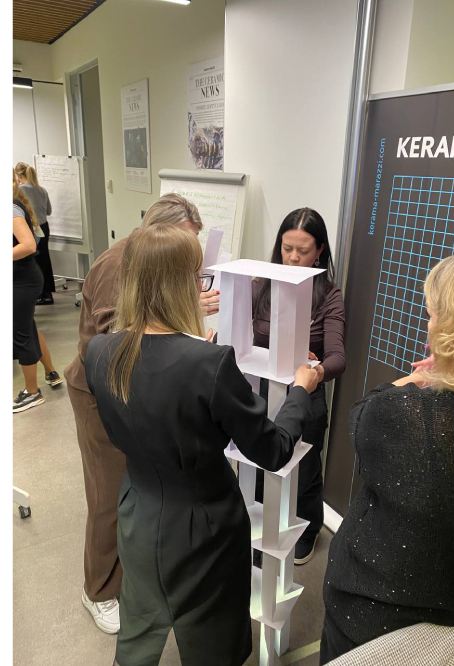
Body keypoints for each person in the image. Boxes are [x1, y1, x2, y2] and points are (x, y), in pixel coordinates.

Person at [85, 224, 322, 666]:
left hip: (136, 514)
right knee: (212, 638)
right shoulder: (209, 365)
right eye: (200, 277)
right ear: (185, 284)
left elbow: (151, 399)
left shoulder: (99, 351)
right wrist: (299, 391)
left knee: (140, 623)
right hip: (206, 530)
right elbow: (273, 450)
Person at [320, 249, 454, 666]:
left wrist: (418, 380)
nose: (429, 323)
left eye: (433, 314)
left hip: (373, 632)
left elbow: (363, 414)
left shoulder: (405, 416)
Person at [62, 193, 219, 634]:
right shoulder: (117, 265)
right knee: (107, 496)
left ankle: (127, 574)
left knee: (135, 491)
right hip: (99, 395)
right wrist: (187, 314)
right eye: (181, 241)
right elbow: (117, 338)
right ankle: (98, 592)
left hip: (131, 392)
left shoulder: (149, 260)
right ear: (158, 230)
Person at [252, 208, 345, 564]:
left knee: (303, 472)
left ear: (319, 251)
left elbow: (337, 358)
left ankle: (307, 530)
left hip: (304, 395)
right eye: (286, 248)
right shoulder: (262, 285)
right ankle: (261, 524)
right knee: (259, 465)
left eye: (302, 251)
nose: (292, 257)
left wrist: (314, 370)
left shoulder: (328, 295)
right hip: (261, 393)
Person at [13, 174, 61, 413]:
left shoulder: (9, 209)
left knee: (22, 334)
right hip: (24, 278)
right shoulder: (15, 204)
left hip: (22, 280)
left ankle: (32, 392)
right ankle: (51, 373)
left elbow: (29, 245)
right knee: (28, 328)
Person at [14, 162, 55, 304]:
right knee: (44, 259)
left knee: (31, 260)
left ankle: (37, 293)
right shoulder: (42, 190)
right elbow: (49, 211)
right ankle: (47, 293)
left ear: (19, 176)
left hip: (30, 228)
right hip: (43, 227)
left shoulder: (19, 191)